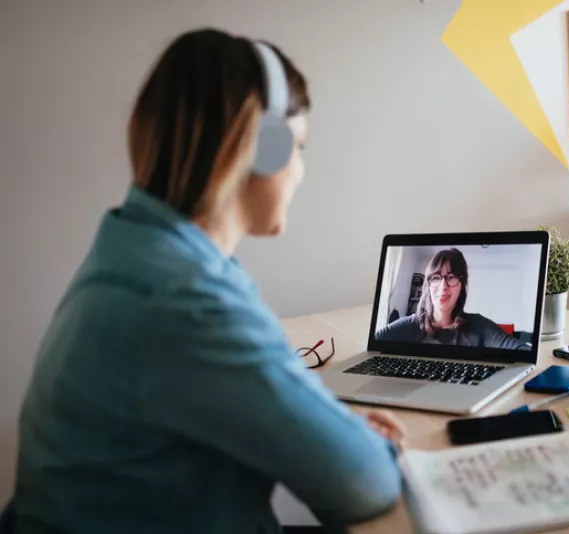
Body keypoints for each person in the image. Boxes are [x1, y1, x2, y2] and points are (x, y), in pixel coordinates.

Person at [9, 28, 406, 534]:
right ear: (261, 148)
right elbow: (364, 484)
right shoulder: (184, 298)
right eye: (298, 148)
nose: (301, 172)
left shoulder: (135, 248)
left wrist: (331, 427)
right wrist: (370, 446)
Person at [375, 248, 530, 349]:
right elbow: (372, 346)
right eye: (436, 278)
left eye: (451, 277)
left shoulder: (479, 326)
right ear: (428, 284)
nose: (443, 286)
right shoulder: (409, 326)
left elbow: (521, 350)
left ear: (462, 285)